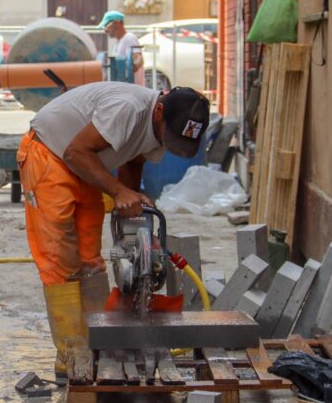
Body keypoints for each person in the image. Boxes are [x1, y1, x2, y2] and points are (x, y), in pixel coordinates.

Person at [17, 83, 209, 379]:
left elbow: (133, 160)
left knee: (90, 261)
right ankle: (71, 353)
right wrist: (118, 191)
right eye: (168, 134)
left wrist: (136, 218)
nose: (166, 141)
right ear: (160, 110)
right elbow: (75, 151)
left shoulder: (160, 126)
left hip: (86, 166)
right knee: (61, 261)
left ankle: (99, 344)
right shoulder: (128, 108)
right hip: (51, 155)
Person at [99, 10, 145, 86]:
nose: (105, 30)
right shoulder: (118, 42)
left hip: (132, 88)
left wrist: (134, 66)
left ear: (118, 23)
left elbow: (138, 58)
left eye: (107, 25)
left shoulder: (129, 38)